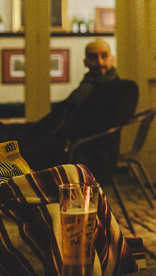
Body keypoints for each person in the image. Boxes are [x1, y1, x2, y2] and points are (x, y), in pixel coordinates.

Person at [0, 39, 138, 183]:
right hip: (56, 138)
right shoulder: (83, 90)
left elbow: (114, 120)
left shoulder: (125, 87)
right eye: (93, 57)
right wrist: (30, 129)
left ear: (112, 59)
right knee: (7, 134)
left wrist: (71, 139)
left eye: (104, 56)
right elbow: (55, 117)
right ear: (85, 62)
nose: (100, 62)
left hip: (89, 151)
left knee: (16, 154)